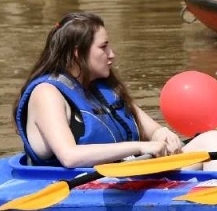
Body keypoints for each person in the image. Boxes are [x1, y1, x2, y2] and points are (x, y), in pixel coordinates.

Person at [14, 12, 184, 167]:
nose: (111, 54)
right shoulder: (47, 94)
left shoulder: (104, 86)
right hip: (73, 184)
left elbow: (152, 131)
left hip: (125, 176)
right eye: (103, 47)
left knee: (210, 139)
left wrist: (163, 134)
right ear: (77, 53)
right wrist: (139, 147)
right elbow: (69, 156)